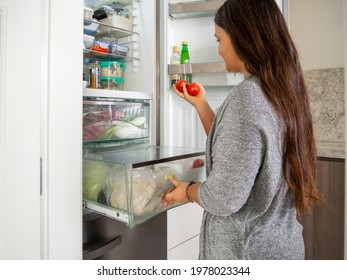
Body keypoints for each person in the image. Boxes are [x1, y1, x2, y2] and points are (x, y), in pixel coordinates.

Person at [164, 0, 324, 260]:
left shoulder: (247, 98)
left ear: (241, 37)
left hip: (246, 253)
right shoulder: (283, 92)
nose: (218, 50)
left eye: (219, 40)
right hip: (280, 246)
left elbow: (222, 199)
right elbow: (240, 153)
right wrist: (202, 105)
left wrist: (189, 190)